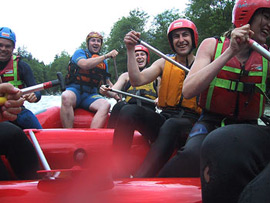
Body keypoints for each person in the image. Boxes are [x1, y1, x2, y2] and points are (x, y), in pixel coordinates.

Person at [160, 0, 270, 194]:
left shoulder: (266, 55)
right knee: (193, 154)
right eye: (266, 17)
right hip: (210, 120)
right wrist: (230, 53)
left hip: (247, 126)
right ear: (246, 16)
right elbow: (189, 90)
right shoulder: (212, 45)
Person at [112, 19, 201, 178]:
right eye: (176, 37)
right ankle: (118, 171)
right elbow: (136, 80)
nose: (180, 40)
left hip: (191, 124)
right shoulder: (163, 62)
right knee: (128, 110)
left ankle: (141, 179)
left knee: (172, 125)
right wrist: (130, 50)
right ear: (171, 42)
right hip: (166, 117)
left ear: (193, 38)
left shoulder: (204, 63)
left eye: (185, 35)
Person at [61, 31, 118, 128]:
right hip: (75, 91)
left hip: (91, 95)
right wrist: (106, 55)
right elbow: (85, 64)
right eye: (93, 40)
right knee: (65, 96)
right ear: (88, 43)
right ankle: (68, 133)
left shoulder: (103, 62)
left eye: (98, 41)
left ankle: (93, 135)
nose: (96, 43)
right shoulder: (80, 53)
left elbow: (107, 83)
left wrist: (117, 96)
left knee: (105, 105)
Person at [100, 44, 159, 128]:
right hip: (128, 110)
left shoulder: (156, 77)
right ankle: (110, 134)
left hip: (148, 111)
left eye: (142, 54)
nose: (139, 57)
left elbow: (163, 97)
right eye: (136, 55)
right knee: (119, 105)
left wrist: (159, 99)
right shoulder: (125, 76)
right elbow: (113, 92)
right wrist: (105, 90)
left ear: (147, 57)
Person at [0, 27, 42, 129]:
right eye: (0, 45)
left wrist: (34, 95)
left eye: (8, 46)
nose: (3, 49)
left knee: (29, 119)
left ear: (13, 48)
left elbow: (37, 91)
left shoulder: (22, 66)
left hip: (16, 110)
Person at [0, 83, 40, 180]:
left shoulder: (22, 67)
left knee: (13, 133)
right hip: (12, 112)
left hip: (18, 111)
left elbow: (37, 94)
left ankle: (32, 183)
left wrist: (34, 95)